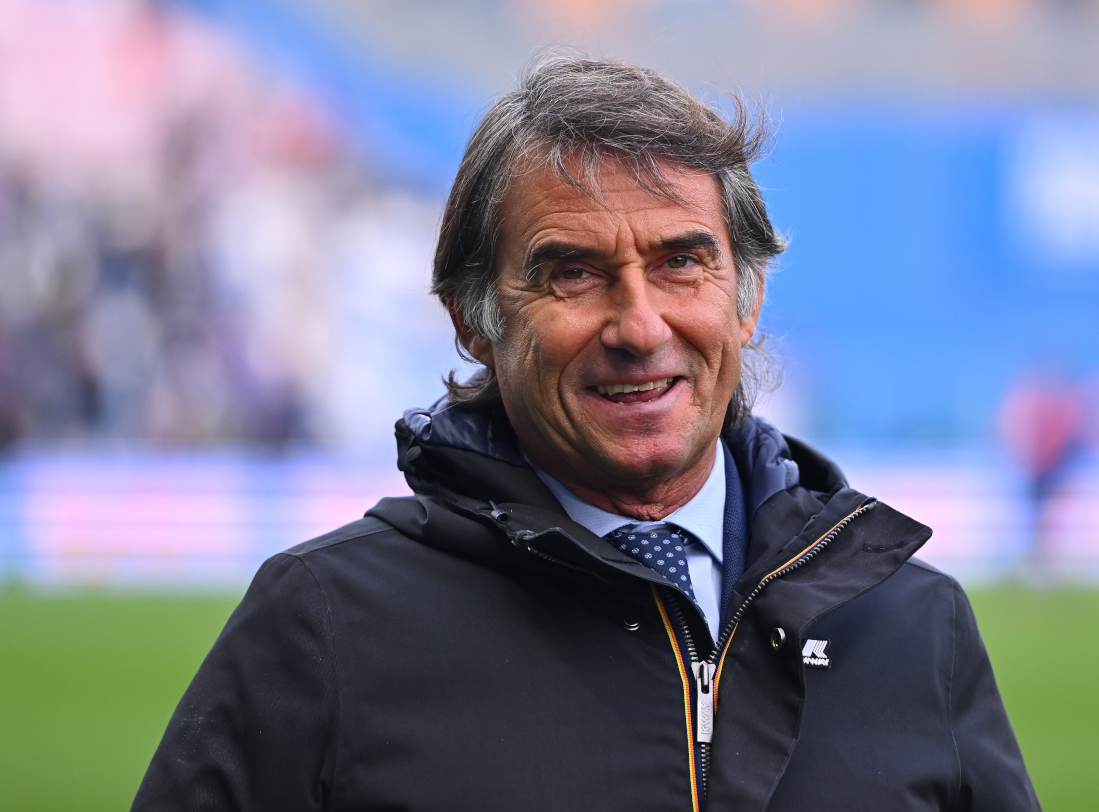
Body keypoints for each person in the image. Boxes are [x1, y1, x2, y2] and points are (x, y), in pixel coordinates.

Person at [133, 54, 1040, 811]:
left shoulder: (912, 625)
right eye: (574, 273)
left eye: (683, 262)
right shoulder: (323, 626)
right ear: (473, 320)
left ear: (749, 298)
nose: (640, 326)